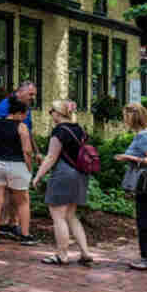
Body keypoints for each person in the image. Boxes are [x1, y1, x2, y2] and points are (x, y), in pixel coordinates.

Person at [32, 99, 94, 266]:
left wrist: (38, 176)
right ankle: (85, 252)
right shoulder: (79, 129)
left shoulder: (59, 131)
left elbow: (51, 157)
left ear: (58, 113)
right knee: (71, 216)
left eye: (51, 111)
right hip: (80, 174)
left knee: (58, 217)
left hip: (63, 174)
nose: (50, 114)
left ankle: (62, 255)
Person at [114, 103, 147, 271]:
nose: (124, 120)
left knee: (145, 220)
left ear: (132, 117)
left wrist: (129, 157)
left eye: (125, 116)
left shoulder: (142, 136)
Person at [0, 81, 37, 237]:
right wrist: (30, 167)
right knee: (23, 201)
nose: (32, 98)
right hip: (17, 164)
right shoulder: (20, 126)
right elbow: (27, 150)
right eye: (31, 94)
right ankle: (25, 235)